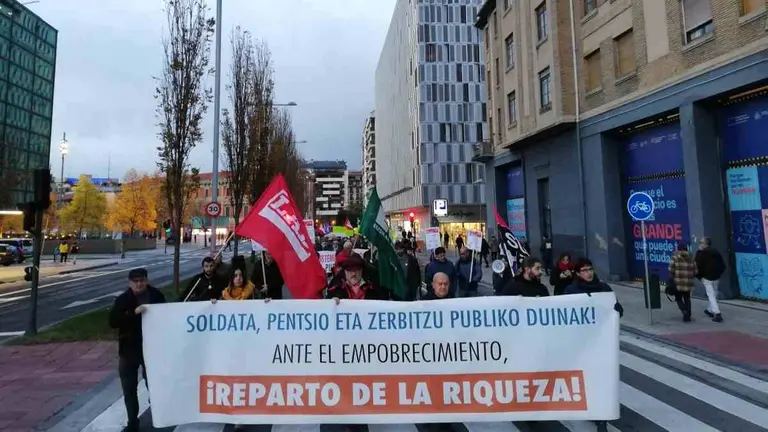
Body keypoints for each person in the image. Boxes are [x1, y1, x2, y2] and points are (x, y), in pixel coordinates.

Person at [108, 268, 166, 432]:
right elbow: (113, 321)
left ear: (147, 280)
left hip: (151, 348)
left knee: (154, 385)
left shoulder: (156, 296)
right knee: (129, 388)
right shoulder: (123, 299)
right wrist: (133, 313)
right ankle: (132, 422)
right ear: (130, 283)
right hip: (129, 350)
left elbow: (166, 315)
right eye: (136, 281)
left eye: (142, 281)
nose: (139, 284)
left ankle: (159, 415)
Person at [694, 237, 726, 322]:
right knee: (714, 294)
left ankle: (717, 313)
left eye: (701, 242)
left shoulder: (701, 253)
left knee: (711, 295)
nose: (699, 244)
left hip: (706, 278)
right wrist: (719, 274)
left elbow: (696, 265)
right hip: (715, 277)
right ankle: (709, 310)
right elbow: (723, 265)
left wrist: (699, 277)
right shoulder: (715, 252)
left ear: (705, 244)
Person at [668, 242, 697, 322]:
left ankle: (684, 312)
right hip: (688, 283)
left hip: (678, 282)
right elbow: (695, 271)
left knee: (678, 298)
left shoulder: (675, 257)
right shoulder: (691, 257)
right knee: (687, 298)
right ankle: (688, 314)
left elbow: (671, 269)